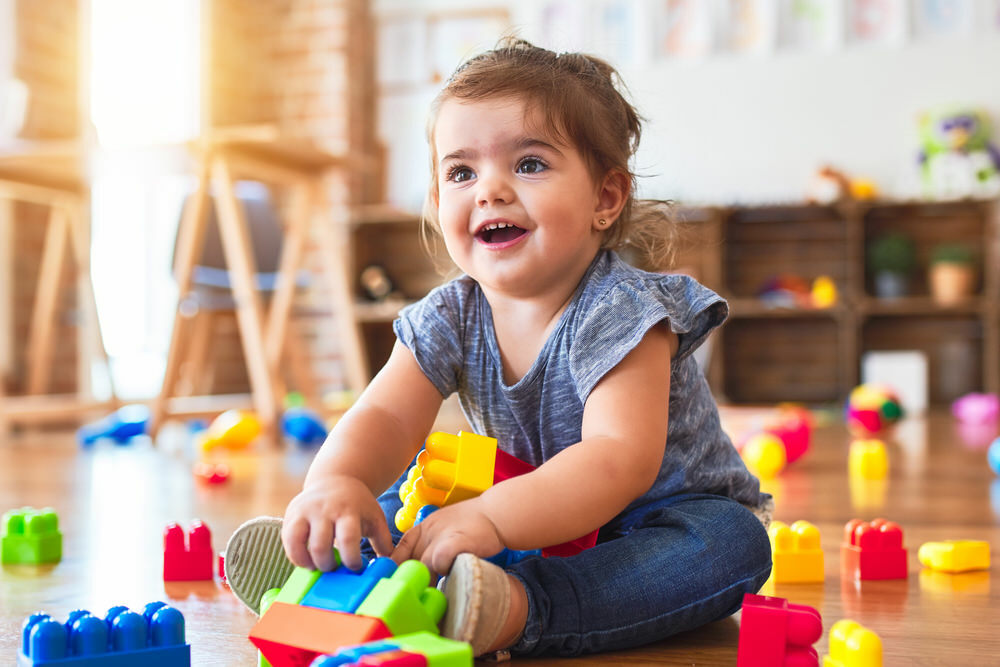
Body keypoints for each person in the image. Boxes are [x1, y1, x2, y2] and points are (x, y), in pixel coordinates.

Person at [225, 37, 773, 659]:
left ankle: (513, 608)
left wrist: (491, 519)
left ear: (605, 198)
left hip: (650, 520)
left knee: (732, 543)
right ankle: (330, 566)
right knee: (407, 481)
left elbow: (617, 459)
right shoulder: (451, 314)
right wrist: (337, 482)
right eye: (461, 172)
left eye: (529, 164)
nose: (489, 189)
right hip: (523, 510)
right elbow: (384, 415)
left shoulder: (622, 310)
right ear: (438, 203)